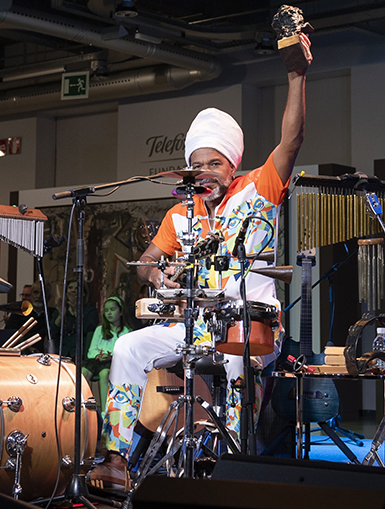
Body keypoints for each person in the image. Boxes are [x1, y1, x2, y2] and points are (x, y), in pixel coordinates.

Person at [89, 34, 310, 491]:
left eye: (214, 163)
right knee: (127, 348)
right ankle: (117, 460)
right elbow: (145, 263)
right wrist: (157, 272)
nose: (204, 173)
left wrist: (296, 75)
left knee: (234, 364)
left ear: (232, 165)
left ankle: (230, 468)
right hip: (194, 326)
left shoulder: (259, 189)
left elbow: (291, 141)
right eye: (197, 165)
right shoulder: (181, 212)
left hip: (250, 329)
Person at [83, 296, 133, 407]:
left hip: (114, 361)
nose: (109, 313)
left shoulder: (127, 331)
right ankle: (82, 407)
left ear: (120, 312)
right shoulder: (99, 330)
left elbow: (126, 353)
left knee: (104, 373)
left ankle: (104, 409)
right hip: (97, 360)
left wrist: (111, 356)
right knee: (83, 372)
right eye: (106, 310)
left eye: (112, 309)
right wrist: (98, 355)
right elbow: (91, 351)